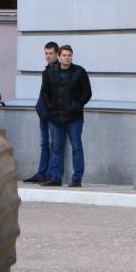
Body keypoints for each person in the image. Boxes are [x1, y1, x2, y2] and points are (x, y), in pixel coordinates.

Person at [40, 44, 91, 187]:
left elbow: (87, 92)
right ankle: (56, 177)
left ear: (72, 56)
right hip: (56, 117)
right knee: (56, 148)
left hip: (74, 117)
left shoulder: (79, 72)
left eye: (69, 55)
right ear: (59, 57)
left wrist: (77, 105)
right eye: (64, 55)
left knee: (76, 147)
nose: (67, 58)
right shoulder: (50, 72)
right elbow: (45, 93)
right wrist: (50, 109)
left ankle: (77, 178)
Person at [24, 41, 59, 183]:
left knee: (52, 144)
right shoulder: (47, 69)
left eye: (51, 53)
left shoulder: (58, 70)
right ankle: (41, 173)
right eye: (46, 53)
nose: (48, 56)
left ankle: (49, 174)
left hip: (53, 115)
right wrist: (39, 107)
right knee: (44, 144)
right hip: (43, 113)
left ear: (57, 54)